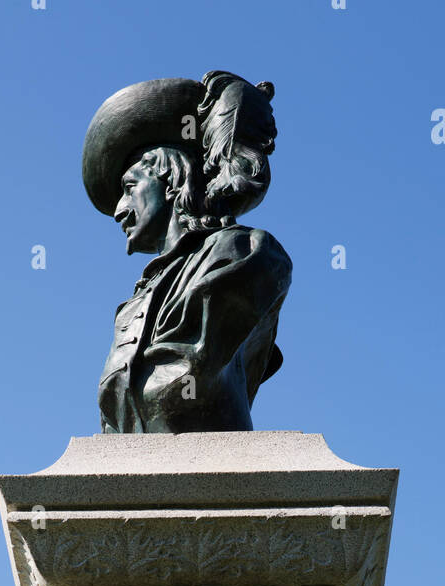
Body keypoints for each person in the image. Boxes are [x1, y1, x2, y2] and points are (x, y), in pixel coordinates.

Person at [82, 73, 292, 434]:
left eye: (129, 187)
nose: (119, 209)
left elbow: (185, 379)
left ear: (170, 180)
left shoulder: (246, 254)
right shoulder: (132, 307)